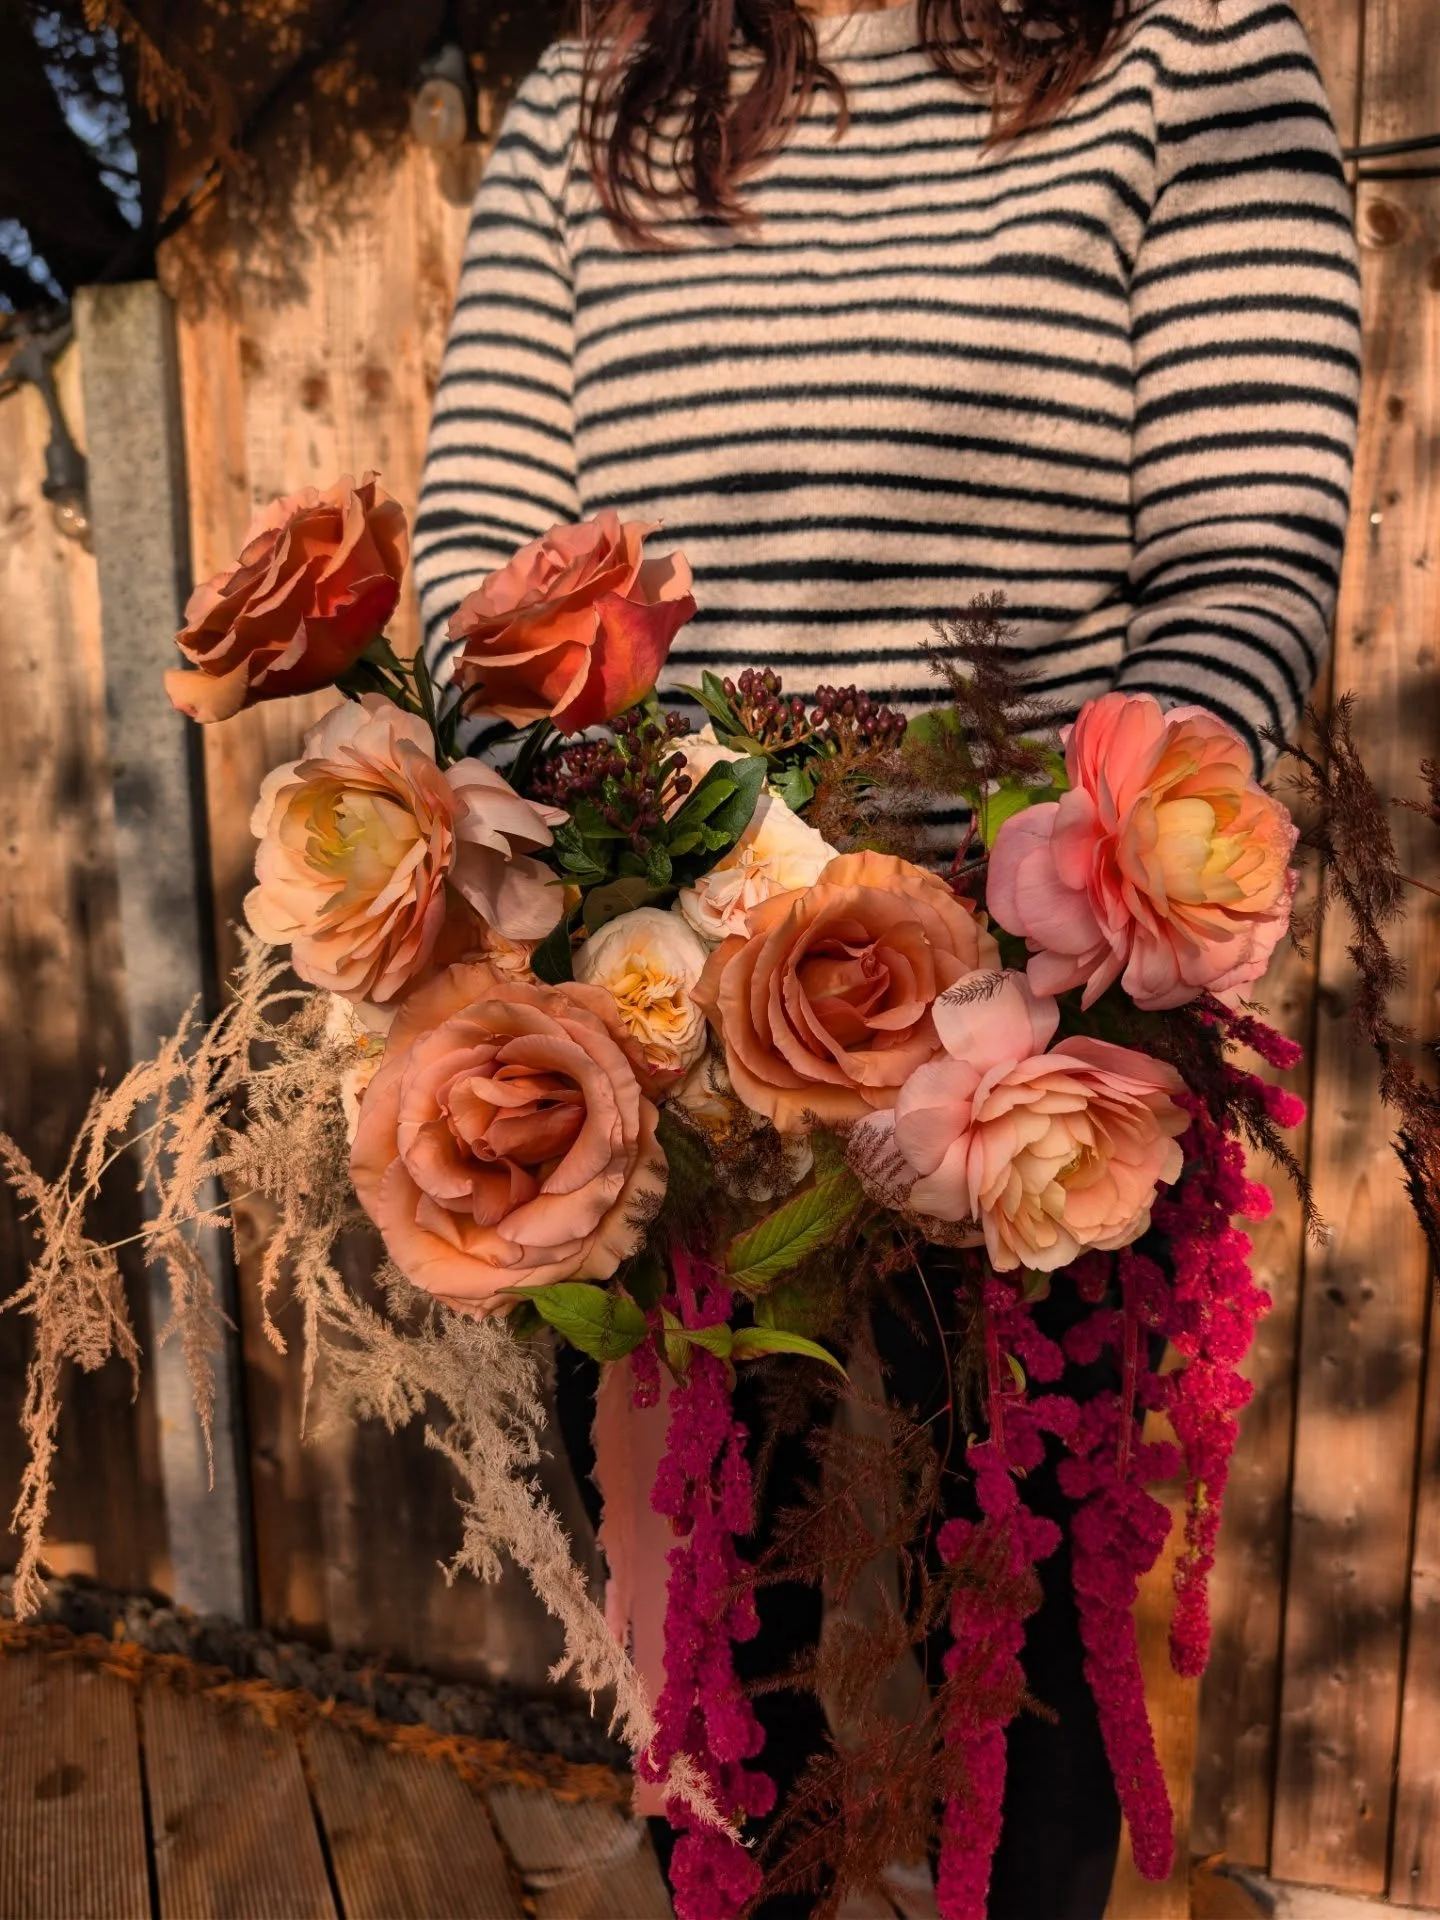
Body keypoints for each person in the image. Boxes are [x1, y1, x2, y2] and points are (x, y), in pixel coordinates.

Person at [414, 1, 1361, 1913]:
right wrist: (641, 873)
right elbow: (481, 569)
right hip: (662, 1029)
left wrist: (1074, 900)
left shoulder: (1188, 45)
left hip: (1036, 1039)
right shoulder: (595, 99)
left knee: (1027, 1647)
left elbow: (1243, 555)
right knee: (714, 1651)